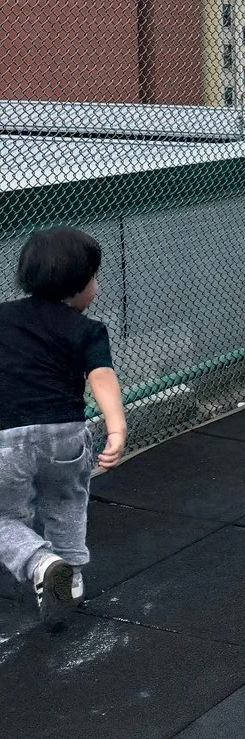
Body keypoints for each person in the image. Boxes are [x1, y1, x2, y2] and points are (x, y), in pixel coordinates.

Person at [0, 227, 126, 630]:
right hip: (66, 435)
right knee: (67, 502)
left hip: (7, 438)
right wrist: (116, 426)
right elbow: (102, 376)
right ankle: (68, 575)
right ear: (79, 285)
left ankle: (41, 563)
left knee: (5, 515)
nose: (97, 287)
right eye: (95, 278)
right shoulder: (87, 329)